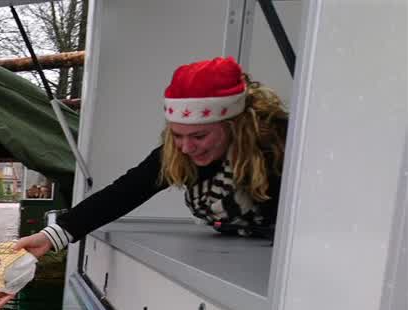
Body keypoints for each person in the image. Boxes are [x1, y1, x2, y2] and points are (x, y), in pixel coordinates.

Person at [15, 56, 289, 257]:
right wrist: (53, 236)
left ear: (234, 126)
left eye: (199, 136)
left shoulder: (278, 151)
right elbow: (126, 191)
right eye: (177, 135)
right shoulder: (176, 152)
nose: (186, 148)